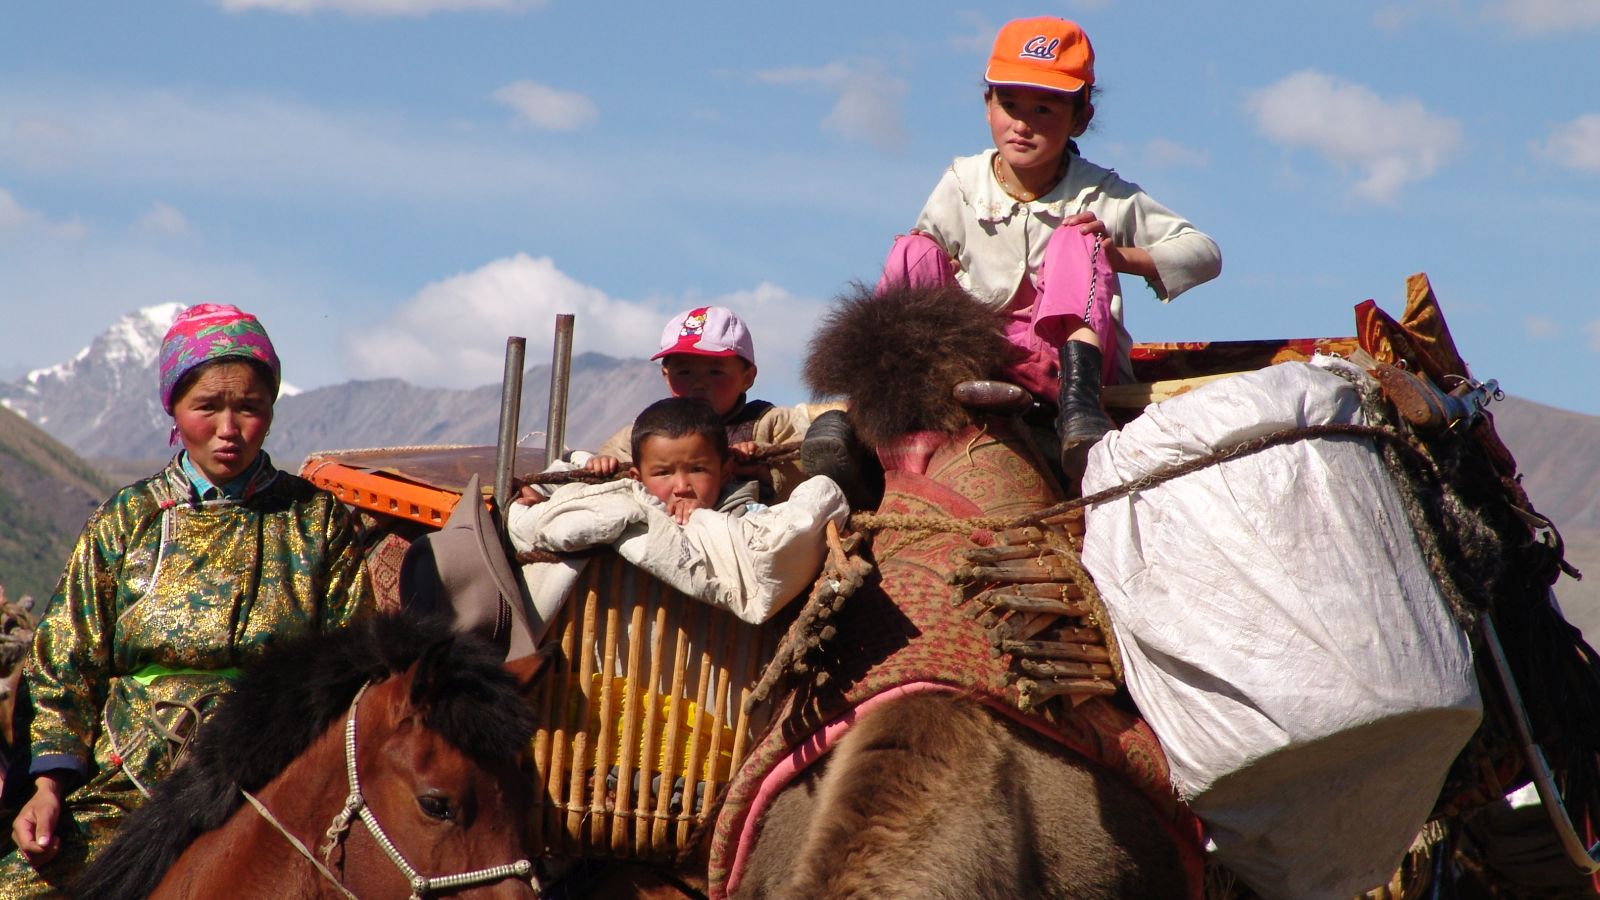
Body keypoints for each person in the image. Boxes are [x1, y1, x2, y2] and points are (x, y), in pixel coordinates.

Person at [0, 303, 375, 896]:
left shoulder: (316, 522)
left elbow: (351, 667)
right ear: (173, 409)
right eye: (207, 407)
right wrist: (46, 790)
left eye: (249, 408)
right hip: (127, 786)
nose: (229, 429)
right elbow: (64, 663)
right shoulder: (127, 520)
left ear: (271, 411)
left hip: (267, 782)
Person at [805, 16, 1220, 482]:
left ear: (1080, 118)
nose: (1022, 125)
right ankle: (864, 409)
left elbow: (1203, 252)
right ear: (987, 106)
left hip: (1060, 367)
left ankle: (1078, 415)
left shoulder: (1104, 193)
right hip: (973, 358)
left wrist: (1116, 255)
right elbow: (919, 267)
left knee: (1077, 238)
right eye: (1010, 104)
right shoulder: (963, 182)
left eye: (1044, 109)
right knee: (913, 249)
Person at [509, 397, 848, 629]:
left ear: (726, 471)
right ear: (636, 479)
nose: (682, 485)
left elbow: (757, 548)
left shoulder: (747, 512)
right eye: (663, 473)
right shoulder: (627, 503)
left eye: (698, 469)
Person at [588, 306, 809, 502]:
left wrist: (763, 463)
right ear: (666, 376)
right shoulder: (651, 429)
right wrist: (604, 464)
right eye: (684, 372)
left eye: (715, 372)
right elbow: (617, 453)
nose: (699, 384)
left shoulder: (770, 423)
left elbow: (806, 469)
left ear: (747, 377)